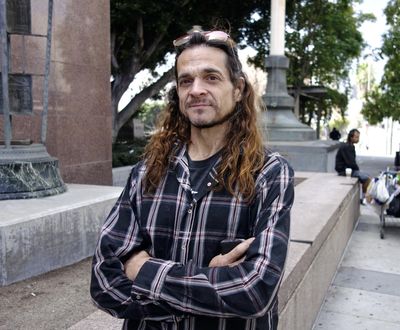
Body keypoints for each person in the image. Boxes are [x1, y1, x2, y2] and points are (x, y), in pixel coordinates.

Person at [90, 28, 294, 330]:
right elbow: (104, 282)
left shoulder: (269, 173)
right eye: (186, 80)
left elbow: (255, 291)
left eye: (211, 77)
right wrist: (207, 284)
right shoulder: (147, 173)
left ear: (237, 90)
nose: (196, 89)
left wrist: (143, 269)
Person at [335, 128, 371, 194]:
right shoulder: (347, 147)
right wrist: (357, 170)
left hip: (347, 169)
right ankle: (364, 196)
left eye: (358, 137)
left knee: (367, 176)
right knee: (367, 179)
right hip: (344, 171)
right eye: (356, 137)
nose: (358, 139)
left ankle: (363, 196)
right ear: (351, 137)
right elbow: (351, 163)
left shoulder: (349, 146)